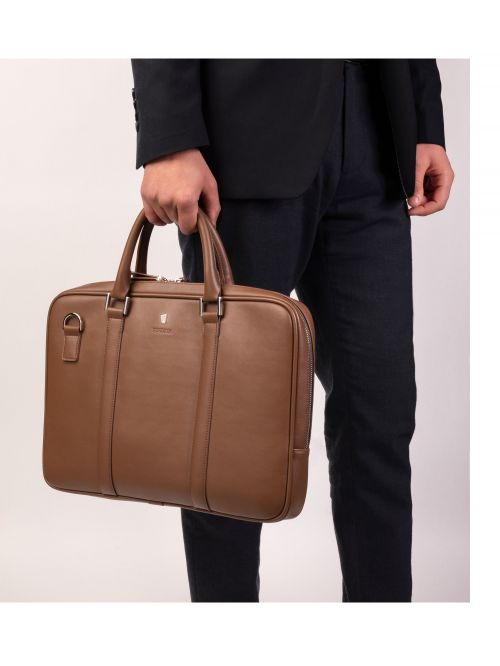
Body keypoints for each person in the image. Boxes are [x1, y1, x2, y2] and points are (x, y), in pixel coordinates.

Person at [130, 59, 454, 602]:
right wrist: (170, 137)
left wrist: (423, 120)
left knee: (381, 413)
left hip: (377, 137)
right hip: (242, 139)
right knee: (227, 429)